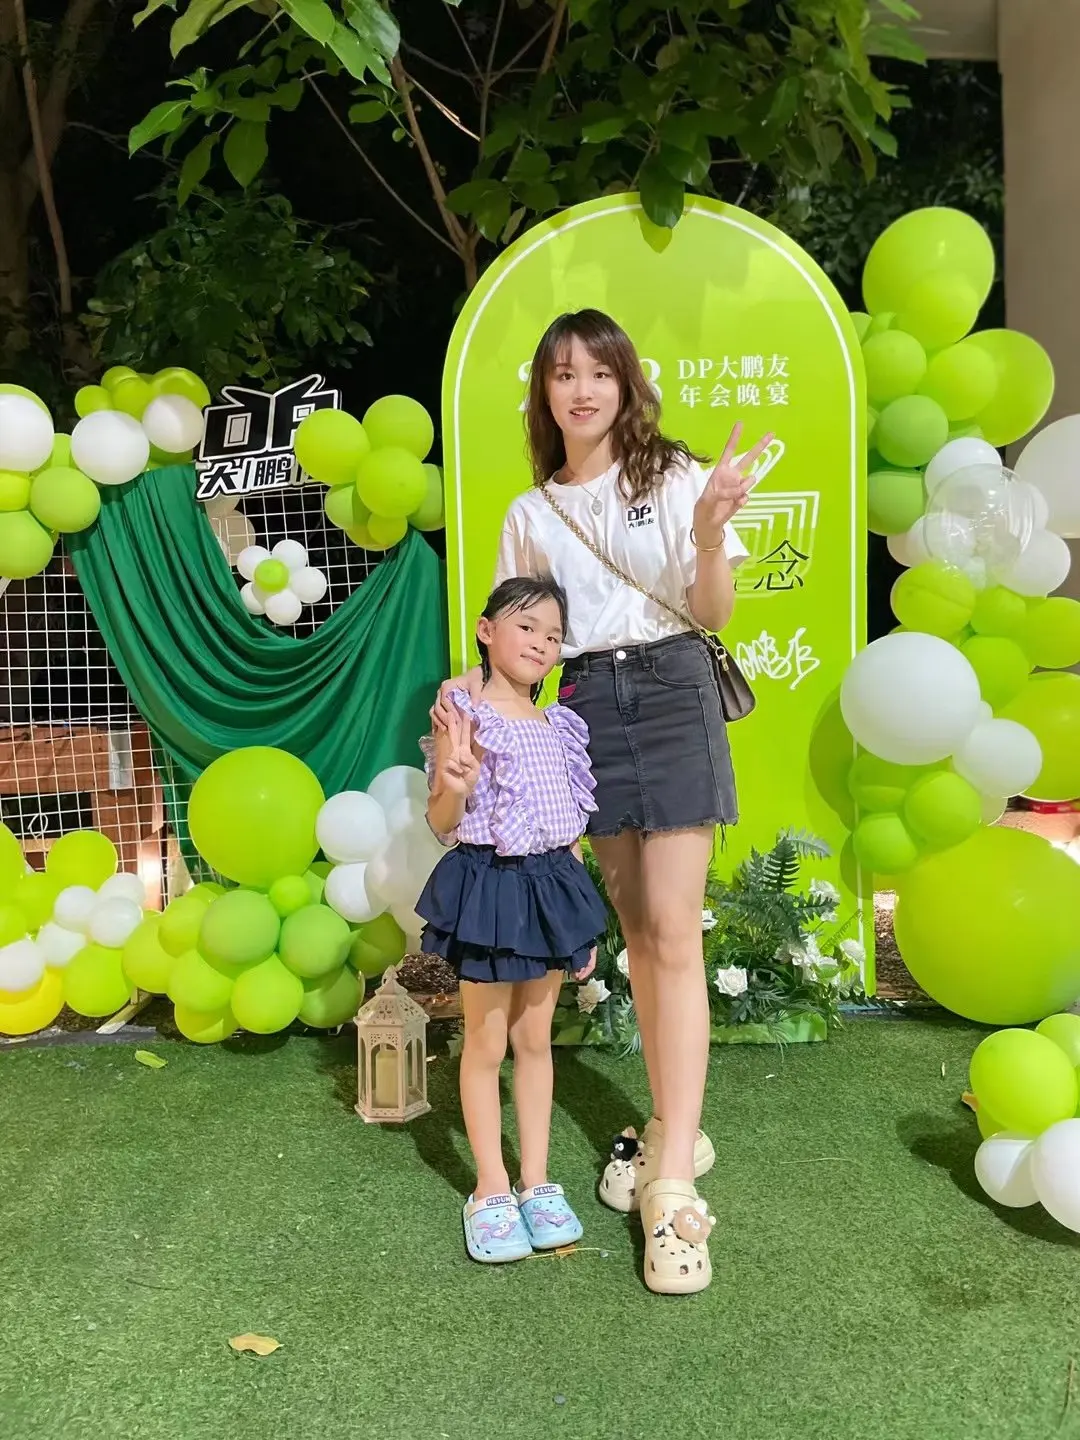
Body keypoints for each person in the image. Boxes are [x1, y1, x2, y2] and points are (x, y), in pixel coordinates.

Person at [435, 308, 770, 1295]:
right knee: (633, 926)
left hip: (672, 689)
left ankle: (673, 1184)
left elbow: (710, 613)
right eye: (562, 374)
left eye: (598, 372)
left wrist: (709, 533)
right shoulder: (532, 512)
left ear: (626, 384)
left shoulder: (675, 477)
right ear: (544, 395)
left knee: (673, 927)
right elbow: (525, 650)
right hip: (582, 703)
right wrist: (474, 726)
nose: (581, 390)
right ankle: (670, 1125)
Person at [418, 574, 608, 1266]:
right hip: (491, 889)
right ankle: (490, 1187)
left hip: (551, 889)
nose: (541, 643)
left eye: (553, 635)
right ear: (486, 630)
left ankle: (536, 1181)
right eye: (526, 626)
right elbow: (442, 821)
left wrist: (577, 922)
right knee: (485, 1042)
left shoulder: (560, 724)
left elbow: (570, 833)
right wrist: (456, 783)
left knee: (535, 1041)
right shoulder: (463, 715)